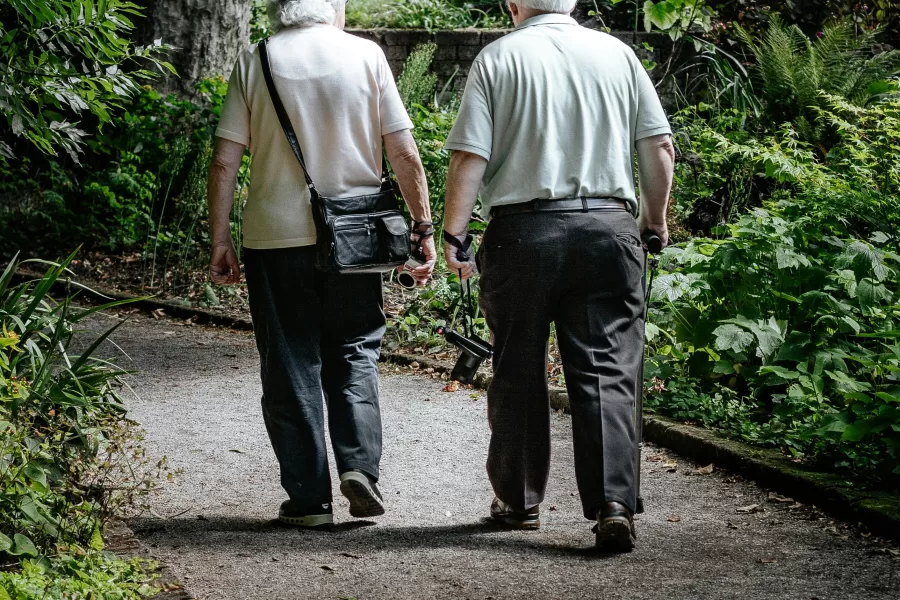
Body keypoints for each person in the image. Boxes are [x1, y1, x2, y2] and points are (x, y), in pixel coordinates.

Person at [442, 0, 675, 551]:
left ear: (513, 4)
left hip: (523, 233)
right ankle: (613, 504)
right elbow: (659, 147)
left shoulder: (498, 59)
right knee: (608, 368)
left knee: (517, 364)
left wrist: (454, 235)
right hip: (607, 228)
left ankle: (519, 502)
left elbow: (468, 157)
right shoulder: (618, 55)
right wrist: (653, 220)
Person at [207, 0, 436, 529]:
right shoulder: (367, 56)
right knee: (355, 347)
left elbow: (225, 159)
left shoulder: (256, 59)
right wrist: (421, 226)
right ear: (333, 7)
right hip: (354, 236)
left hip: (275, 238)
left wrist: (220, 238)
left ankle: (308, 499)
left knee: (289, 360)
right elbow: (404, 152)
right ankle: (359, 468)